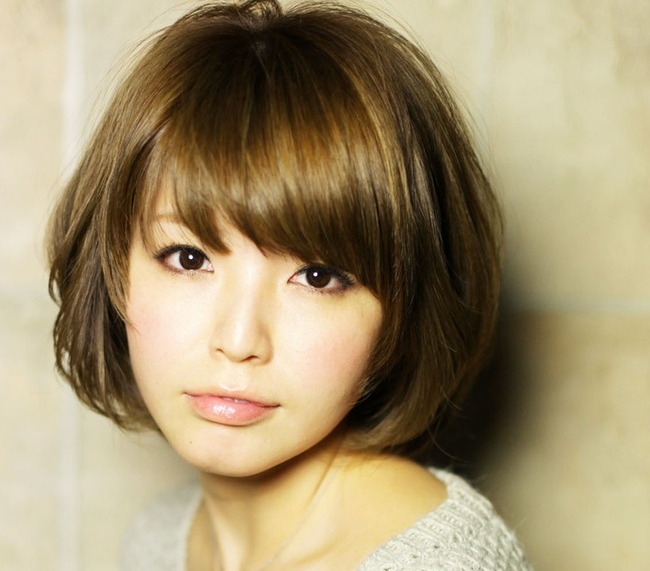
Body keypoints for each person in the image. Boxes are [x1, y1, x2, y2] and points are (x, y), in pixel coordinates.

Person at [46, 0, 532, 569]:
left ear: (403, 309)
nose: (239, 340)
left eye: (317, 277)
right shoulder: (158, 541)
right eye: (189, 258)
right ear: (112, 271)